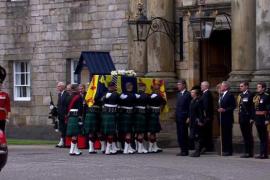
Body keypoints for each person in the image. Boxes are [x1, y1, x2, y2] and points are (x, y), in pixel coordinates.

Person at [217, 81, 236, 156]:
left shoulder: (230, 95)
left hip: (227, 118)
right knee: (223, 134)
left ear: (226, 87)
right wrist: (218, 109)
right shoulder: (221, 95)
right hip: (222, 118)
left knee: (228, 135)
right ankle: (224, 149)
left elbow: (233, 106)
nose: (220, 87)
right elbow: (219, 105)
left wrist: (225, 110)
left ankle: (229, 150)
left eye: (221, 86)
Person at [252, 82, 269, 159]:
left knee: (264, 136)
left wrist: (267, 119)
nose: (257, 88)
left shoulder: (267, 97)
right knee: (260, 136)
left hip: (263, 118)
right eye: (257, 87)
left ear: (263, 88)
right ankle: (262, 153)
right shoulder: (256, 97)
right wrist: (254, 118)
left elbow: (269, 109)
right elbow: (254, 108)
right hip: (258, 118)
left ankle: (264, 153)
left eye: (259, 87)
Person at [148, 82, 166, 153]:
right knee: (153, 131)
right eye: (158, 89)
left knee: (153, 132)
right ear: (155, 89)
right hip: (155, 114)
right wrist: (160, 109)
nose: (159, 90)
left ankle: (154, 146)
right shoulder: (159, 96)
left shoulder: (148, 96)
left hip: (150, 114)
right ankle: (150, 147)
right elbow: (164, 103)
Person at [101, 82, 119, 155]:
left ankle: (111, 147)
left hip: (107, 114)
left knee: (109, 132)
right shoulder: (115, 94)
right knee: (110, 132)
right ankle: (108, 148)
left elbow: (101, 100)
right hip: (110, 114)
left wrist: (105, 97)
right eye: (113, 86)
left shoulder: (106, 93)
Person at [118, 82, 136, 154]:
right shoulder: (132, 95)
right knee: (128, 132)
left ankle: (127, 147)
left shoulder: (122, 95)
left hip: (123, 115)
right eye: (130, 86)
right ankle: (126, 149)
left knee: (124, 131)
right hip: (128, 115)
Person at [237, 82, 254, 158]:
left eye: (242, 86)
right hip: (241, 118)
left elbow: (252, 108)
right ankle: (246, 151)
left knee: (248, 135)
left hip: (247, 118)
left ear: (246, 86)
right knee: (244, 135)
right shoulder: (240, 95)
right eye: (240, 86)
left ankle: (249, 152)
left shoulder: (250, 94)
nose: (240, 87)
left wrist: (252, 118)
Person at [66, 84, 83, 156]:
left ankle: (76, 150)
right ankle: (71, 150)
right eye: (78, 88)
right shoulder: (78, 97)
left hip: (70, 116)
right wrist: (80, 118)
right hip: (76, 116)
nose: (79, 89)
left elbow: (66, 108)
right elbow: (80, 108)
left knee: (73, 134)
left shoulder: (68, 97)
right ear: (75, 89)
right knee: (75, 134)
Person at [175, 80, 192, 156]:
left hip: (184, 117)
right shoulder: (178, 94)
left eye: (179, 84)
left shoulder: (188, 94)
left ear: (184, 85)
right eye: (177, 84)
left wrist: (189, 116)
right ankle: (182, 149)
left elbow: (190, 107)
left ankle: (185, 150)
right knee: (179, 134)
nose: (178, 86)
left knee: (184, 134)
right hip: (178, 117)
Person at [189, 87, 204, 157]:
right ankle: (197, 150)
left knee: (197, 136)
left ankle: (197, 152)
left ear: (196, 94)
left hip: (197, 121)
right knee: (193, 136)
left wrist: (200, 120)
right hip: (192, 121)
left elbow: (200, 112)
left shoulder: (199, 101)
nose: (191, 93)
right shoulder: (192, 101)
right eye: (191, 92)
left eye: (192, 92)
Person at [134, 83, 149, 154]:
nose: (145, 88)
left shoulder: (134, 95)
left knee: (137, 132)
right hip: (142, 114)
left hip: (135, 114)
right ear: (142, 87)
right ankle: (140, 148)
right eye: (144, 87)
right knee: (141, 132)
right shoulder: (145, 95)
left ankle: (137, 147)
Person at [200, 81, 214, 152]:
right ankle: (207, 146)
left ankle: (207, 147)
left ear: (206, 86)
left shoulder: (207, 94)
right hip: (207, 116)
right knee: (206, 132)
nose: (201, 86)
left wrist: (204, 116)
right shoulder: (204, 93)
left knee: (206, 132)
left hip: (207, 117)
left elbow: (206, 106)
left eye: (202, 85)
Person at [56, 82, 69, 148]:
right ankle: (61, 141)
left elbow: (66, 105)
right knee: (61, 128)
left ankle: (64, 142)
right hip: (60, 114)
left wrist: (66, 114)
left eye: (59, 86)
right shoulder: (59, 94)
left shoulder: (66, 94)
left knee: (64, 128)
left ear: (62, 87)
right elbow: (59, 105)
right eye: (58, 86)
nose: (57, 87)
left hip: (65, 115)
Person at [0, 66, 10, 132]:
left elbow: (8, 107)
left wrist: (8, 117)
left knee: (1, 132)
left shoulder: (5, 95)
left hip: (2, 116)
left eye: (0, 84)